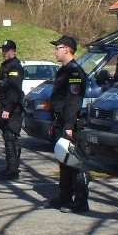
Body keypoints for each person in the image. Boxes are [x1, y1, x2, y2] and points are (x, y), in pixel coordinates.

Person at [45, 35, 90, 213]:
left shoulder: (74, 72)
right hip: (60, 123)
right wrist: (53, 123)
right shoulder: (63, 70)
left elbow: (73, 101)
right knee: (63, 162)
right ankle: (64, 198)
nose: (55, 51)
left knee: (75, 164)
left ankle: (80, 202)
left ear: (66, 49)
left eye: (57, 48)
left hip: (70, 125)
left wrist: (69, 127)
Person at [0, 40, 25, 180]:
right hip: (6, 106)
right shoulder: (7, 66)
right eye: (3, 50)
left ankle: (13, 171)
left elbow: (14, 91)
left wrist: (7, 108)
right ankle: (10, 167)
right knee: (7, 137)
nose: (4, 52)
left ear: (14, 51)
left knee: (10, 137)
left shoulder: (15, 67)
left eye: (7, 50)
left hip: (13, 108)